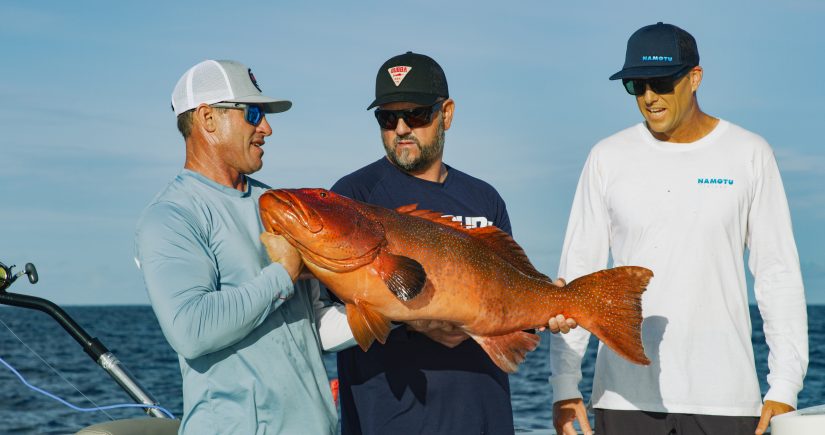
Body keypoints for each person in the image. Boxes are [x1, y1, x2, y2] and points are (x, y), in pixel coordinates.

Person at [549, 23, 808, 435]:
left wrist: (786, 386)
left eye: (662, 83)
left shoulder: (749, 154)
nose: (650, 97)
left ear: (695, 78)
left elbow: (778, 276)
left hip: (725, 398)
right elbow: (580, 276)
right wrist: (564, 383)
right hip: (624, 397)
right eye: (637, 85)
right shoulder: (607, 158)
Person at [329, 51, 574, 435]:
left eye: (417, 114)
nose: (401, 128)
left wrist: (550, 306)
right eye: (387, 118)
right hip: (390, 421)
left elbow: (515, 293)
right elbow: (329, 318)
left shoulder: (485, 198)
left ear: (447, 114)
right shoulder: (353, 198)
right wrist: (414, 323)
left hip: (485, 417)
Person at [134, 59, 353, 434]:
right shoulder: (171, 216)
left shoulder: (281, 205)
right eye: (253, 113)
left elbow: (314, 325)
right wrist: (283, 274)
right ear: (207, 119)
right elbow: (191, 329)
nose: (266, 128)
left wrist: (399, 312)